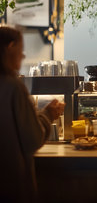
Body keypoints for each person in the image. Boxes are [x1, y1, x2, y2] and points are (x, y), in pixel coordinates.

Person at [0, 26, 65, 203]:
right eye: (21, 50)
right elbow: (32, 140)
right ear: (10, 47)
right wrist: (48, 114)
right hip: (10, 183)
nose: (23, 56)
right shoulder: (13, 87)